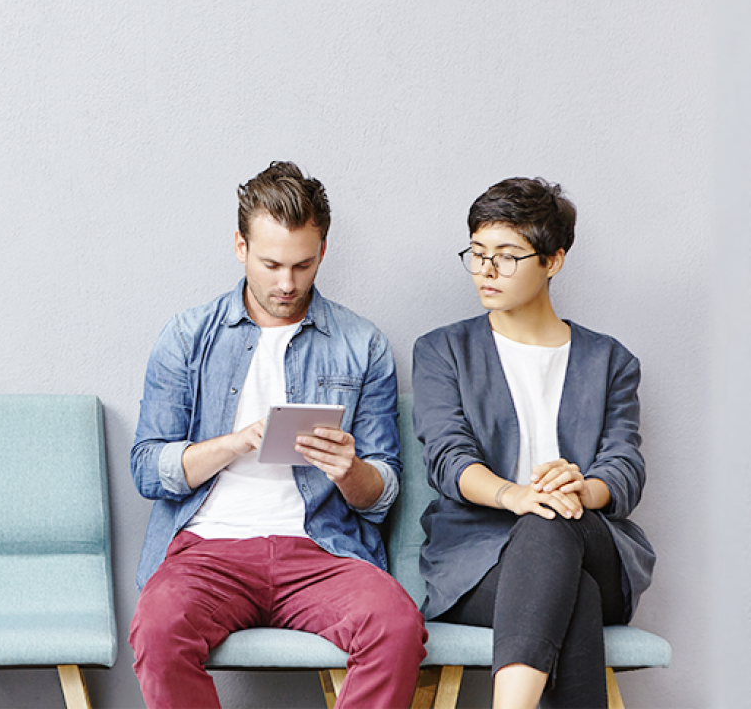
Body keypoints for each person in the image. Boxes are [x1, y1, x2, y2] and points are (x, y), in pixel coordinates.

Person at [128, 162, 425, 709]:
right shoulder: (188, 336)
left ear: (323, 252)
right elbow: (148, 469)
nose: (287, 283)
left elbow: (382, 493)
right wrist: (234, 444)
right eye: (271, 264)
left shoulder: (363, 345)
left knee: (397, 626)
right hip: (208, 550)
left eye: (302, 265)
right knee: (157, 628)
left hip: (321, 550)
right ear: (240, 247)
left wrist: (349, 470)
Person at [413, 177, 654, 709]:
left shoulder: (610, 361)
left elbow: (624, 465)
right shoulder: (442, 352)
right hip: (477, 563)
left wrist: (583, 487)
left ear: (553, 260)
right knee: (572, 593)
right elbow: (447, 458)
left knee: (550, 529)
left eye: (506, 256)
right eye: (476, 254)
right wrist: (514, 496)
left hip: (592, 545)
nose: (487, 271)